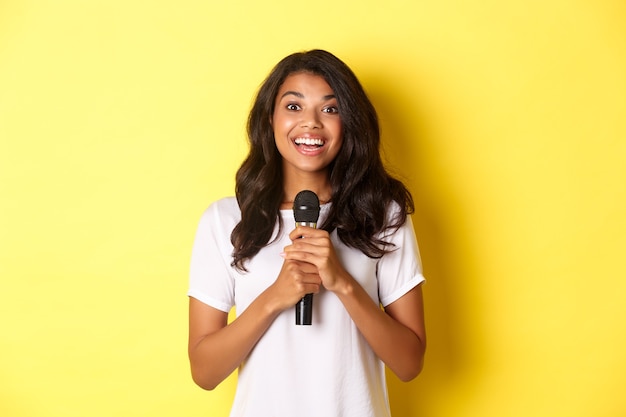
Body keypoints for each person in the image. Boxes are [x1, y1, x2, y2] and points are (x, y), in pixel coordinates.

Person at [187, 49, 426, 417]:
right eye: (294, 107)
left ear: (349, 122)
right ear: (270, 119)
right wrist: (275, 297)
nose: (311, 123)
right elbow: (204, 372)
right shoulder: (225, 220)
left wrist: (343, 283)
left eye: (330, 109)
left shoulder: (382, 215)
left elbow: (409, 364)